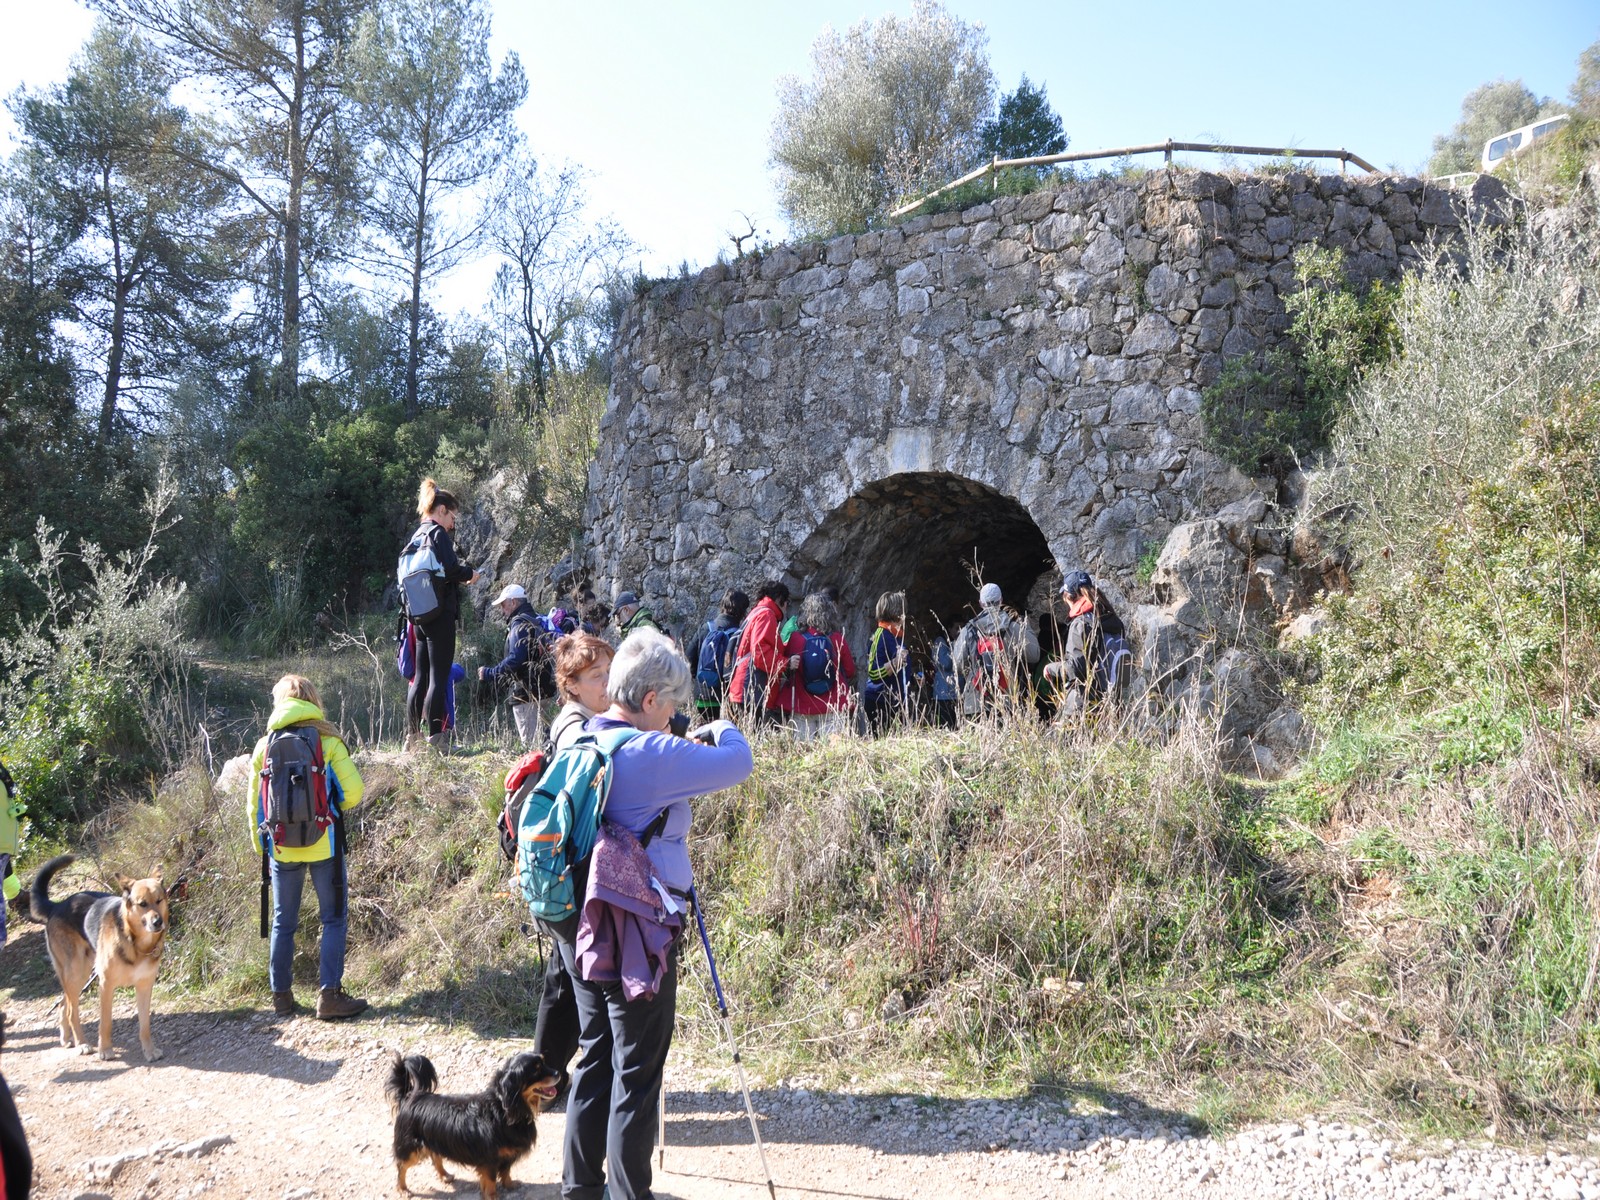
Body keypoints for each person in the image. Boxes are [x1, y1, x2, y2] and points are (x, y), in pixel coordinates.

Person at [559, 629, 753, 1200]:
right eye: (671, 705)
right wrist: (719, 725)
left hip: (581, 923)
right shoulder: (651, 752)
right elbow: (738, 762)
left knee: (596, 1056)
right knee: (638, 1071)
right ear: (649, 699)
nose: (674, 716)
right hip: (636, 933)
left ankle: (579, 1188)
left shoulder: (583, 739)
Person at [249, 674, 368, 1020]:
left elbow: (255, 806)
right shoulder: (328, 741)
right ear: (312, 701)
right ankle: (329, 996)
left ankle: (281, 997)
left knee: (283, 921)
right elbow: (354, 792)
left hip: (281, 847)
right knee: (333, 918)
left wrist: (262, 844)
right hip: (324, 843)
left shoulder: (264, 746)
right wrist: (328, 808)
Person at [533, 632, 616, 1096]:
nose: (607, 681)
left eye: (609, 671)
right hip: (570, 876)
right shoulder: (574, 729)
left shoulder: (591, 719)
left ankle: (545, 1079)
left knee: (563, 980)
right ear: (572, 685)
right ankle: (571, 1085)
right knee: (575, 985)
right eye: (596, 675)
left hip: (569, 875)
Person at [403, 478, 479, 751]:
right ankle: (437, 739)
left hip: (418, 617)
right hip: (440, 614)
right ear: (442, 510)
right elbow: (451, 569)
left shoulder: (416, 536)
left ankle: (412, 738)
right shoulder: (437, 534)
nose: (452, 524)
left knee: (420, 677)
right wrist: (470, 574)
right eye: (452, 517)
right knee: (439, 676)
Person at [775, 591, 856, 741]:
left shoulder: (796, 638)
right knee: (834, 751)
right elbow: (850, 670)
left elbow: (786, 667)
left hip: (802, 704)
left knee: (803, 750)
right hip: (832, 704)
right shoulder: (837, 638)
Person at [951, 582, 1041, 718]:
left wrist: (974, 671)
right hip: (1007, 700)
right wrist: (1025, 626)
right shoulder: (1012, 627)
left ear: (980, 603)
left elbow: (957, 665)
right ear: (1001, 601)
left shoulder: (969, 630)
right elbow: (1034, 655)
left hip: (976, 701)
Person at [1045, 571, 1128, 714]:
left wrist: (1050, 668)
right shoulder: (1110, 618)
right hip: (1112, 700)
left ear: (1069, 596)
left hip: (1084, 703)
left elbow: (1076, 669)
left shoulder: (1080, 624)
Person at [479, 583, 551, 747]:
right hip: (544, 691)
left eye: (503, 605)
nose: (502, 610)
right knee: (546, 744)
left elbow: (516, 659)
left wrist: (490, 673)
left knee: (532, 747)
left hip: (525, 695)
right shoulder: (536, 619)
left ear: (513, 602)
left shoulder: (519, 624)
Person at [727, 581, 790, 727]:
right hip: (752, 691)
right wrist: (786, 664)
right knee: (750, 735)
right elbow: (760, 652)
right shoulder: (767, 615)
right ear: (780, 599)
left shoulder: (756, 612)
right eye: (787, 602)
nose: (787, 607)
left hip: (743, 688)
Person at [684, 588, 750, 723]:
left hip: (702, 694)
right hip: (726, 699)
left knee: (704, 731)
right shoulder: (739, 634)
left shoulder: (706, 628)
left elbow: (689, 658)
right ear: (743, 612)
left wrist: (701, 679)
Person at [862, 591, 915, 735]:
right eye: (903, 611)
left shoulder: (897, 636)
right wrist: (894, 663)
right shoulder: (880, 635)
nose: (905, 615)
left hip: (896, 702)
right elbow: (873, 673)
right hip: (879, 702)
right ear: (896, 612)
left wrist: (914, 678)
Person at [930, 636, 959, 729]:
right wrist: (955, 648)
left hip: (953, 692)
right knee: (947, 725)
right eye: (955, 629)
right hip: (944, 693)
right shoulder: (940, 642)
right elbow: (946, 663)